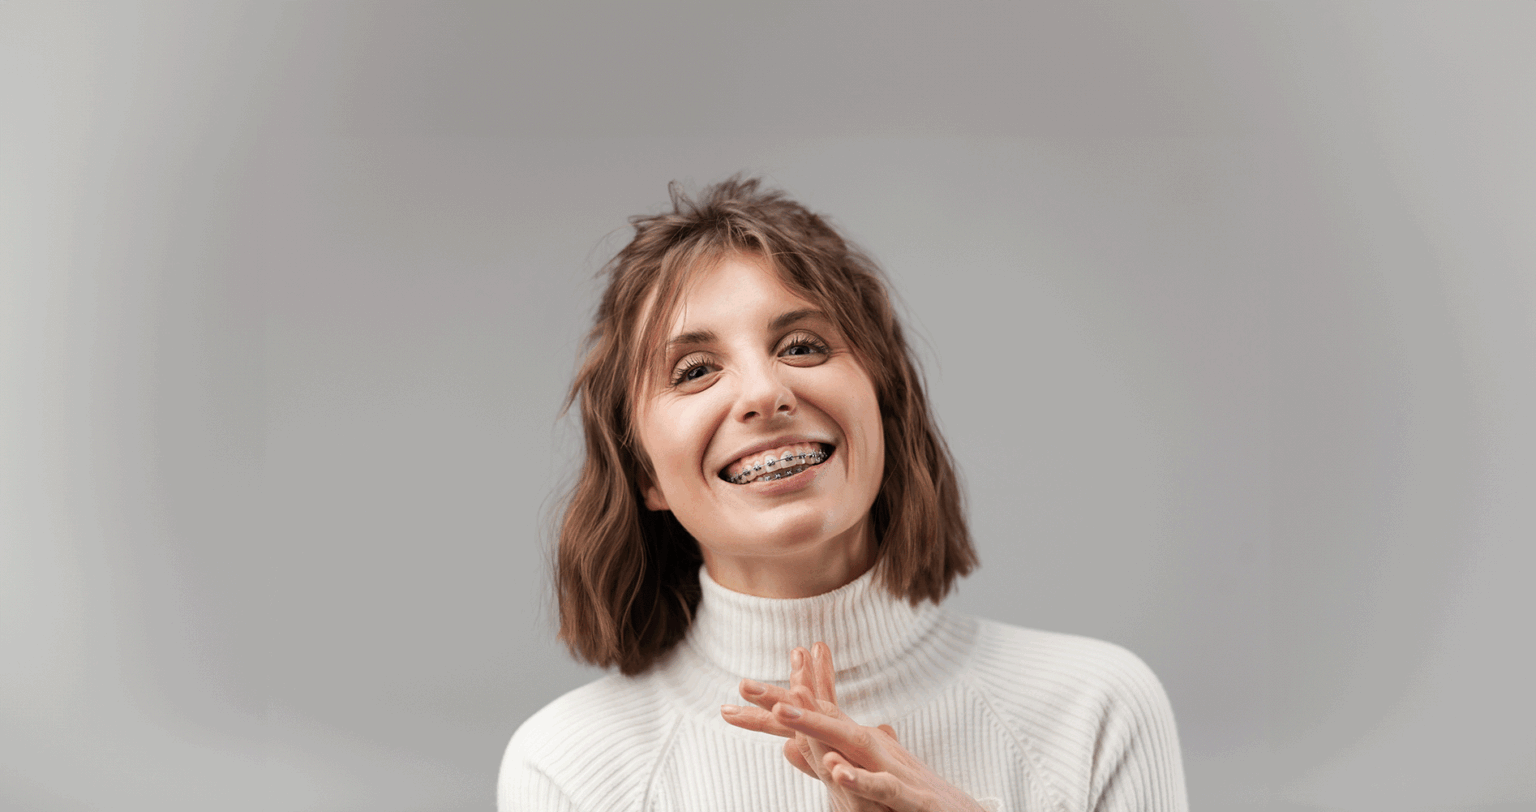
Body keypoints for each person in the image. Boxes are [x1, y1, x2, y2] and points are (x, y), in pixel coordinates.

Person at [498, 177, 1188, 811]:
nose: (766, 394)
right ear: (644, 471)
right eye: (696, 370)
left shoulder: (1096, 709)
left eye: (802, 347)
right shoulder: (567, 769)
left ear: (883, 407)